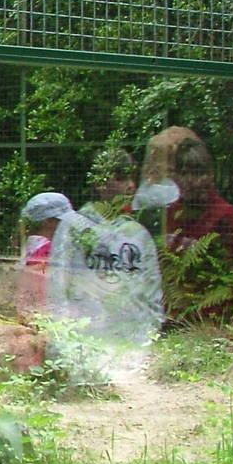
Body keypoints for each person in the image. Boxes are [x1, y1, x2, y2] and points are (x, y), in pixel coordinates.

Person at [43, 149, 163, 347]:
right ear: (99, 183)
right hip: (86, 342)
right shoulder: (73, 227)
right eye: (121, 178)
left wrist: (150, 335)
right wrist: (64, 339)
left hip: (133, 345)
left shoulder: (139, 234)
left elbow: (152, 291)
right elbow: (58, 285)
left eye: (132, 178)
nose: (131, 186)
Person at [163, 136, 233, 322]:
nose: (190, 181)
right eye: (183, 173)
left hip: (210, 319)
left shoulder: (225, 215)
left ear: (210, 175)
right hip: (170, 315)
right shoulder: (169, 212)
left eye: (197, 173)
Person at [16, 192, 72, 322]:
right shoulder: (45, 248)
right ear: (49, 222)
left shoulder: (34, 243)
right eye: (63, 220)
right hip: (44, 311)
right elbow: (39, 282)